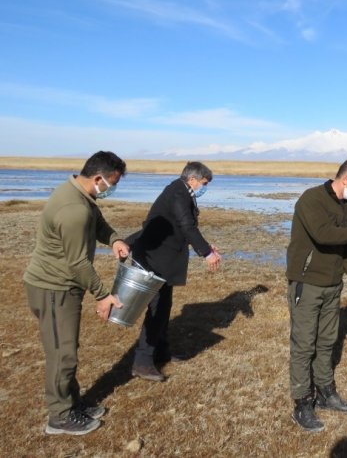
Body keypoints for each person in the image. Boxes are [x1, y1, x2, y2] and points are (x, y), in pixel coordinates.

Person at [24, 151, 129, 436]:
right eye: (112, 183)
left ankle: (72, 403)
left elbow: (99, 225)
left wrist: (115, 239)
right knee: (62, 354)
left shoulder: (81, 195)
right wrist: (102, 294)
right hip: (53, 288)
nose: (112, 189)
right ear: (98, 178)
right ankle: (59, 416)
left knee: (67, 349)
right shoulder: (73, 209)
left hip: (64, 286)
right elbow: (78, 262)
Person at [286, 158, 347, 433]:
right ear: (346, 179)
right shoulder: (311, 199)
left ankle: (326, 392)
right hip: (307, 282)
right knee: (304, 342)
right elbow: (324, 235)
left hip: (332, 284)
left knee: (326, 340)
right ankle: (302, 402)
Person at [127, 161, 222, 382]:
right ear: (192, 179)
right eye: (204, 183)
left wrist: (206, 247)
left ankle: (161, 350)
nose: (204, 187)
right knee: (156, 308)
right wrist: (207, 253)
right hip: (154, 260)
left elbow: (181, 229)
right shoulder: (179, 192)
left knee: (163, 307)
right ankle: (142, 362)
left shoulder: (180, 191)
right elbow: (186, 226)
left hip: (162, 259)